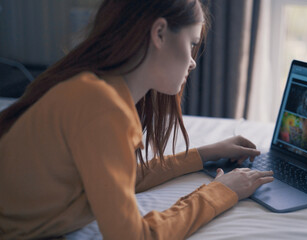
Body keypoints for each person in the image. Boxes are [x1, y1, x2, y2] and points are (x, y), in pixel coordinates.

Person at [0, 0, 274, 239]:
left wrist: (207, 153)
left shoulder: (96, 91)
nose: (193, 62)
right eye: (191, 43)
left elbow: (120, 176)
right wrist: (220, 192)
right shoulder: (99, 106)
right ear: (159, 33)